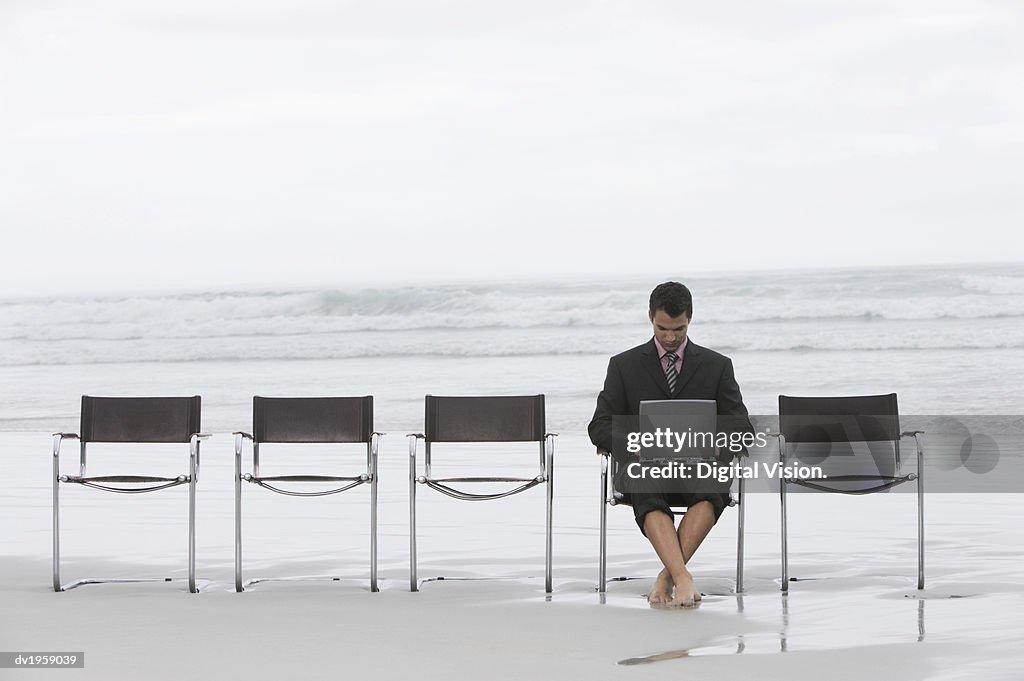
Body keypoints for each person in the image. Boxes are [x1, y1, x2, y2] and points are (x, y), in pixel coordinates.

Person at [588, 281, 751, 608]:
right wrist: (630, 440)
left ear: (690, 319)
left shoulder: (717, 365)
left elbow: (740, 425)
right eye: (662, 328)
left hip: (698, 466)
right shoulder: (623, 365)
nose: (670, 337)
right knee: (646, 484)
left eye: (678, 329)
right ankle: (684, 578)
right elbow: (598, 426)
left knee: (712, 484)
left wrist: (721, 439)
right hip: (645, 467)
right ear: (650, 317)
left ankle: (668, 577)